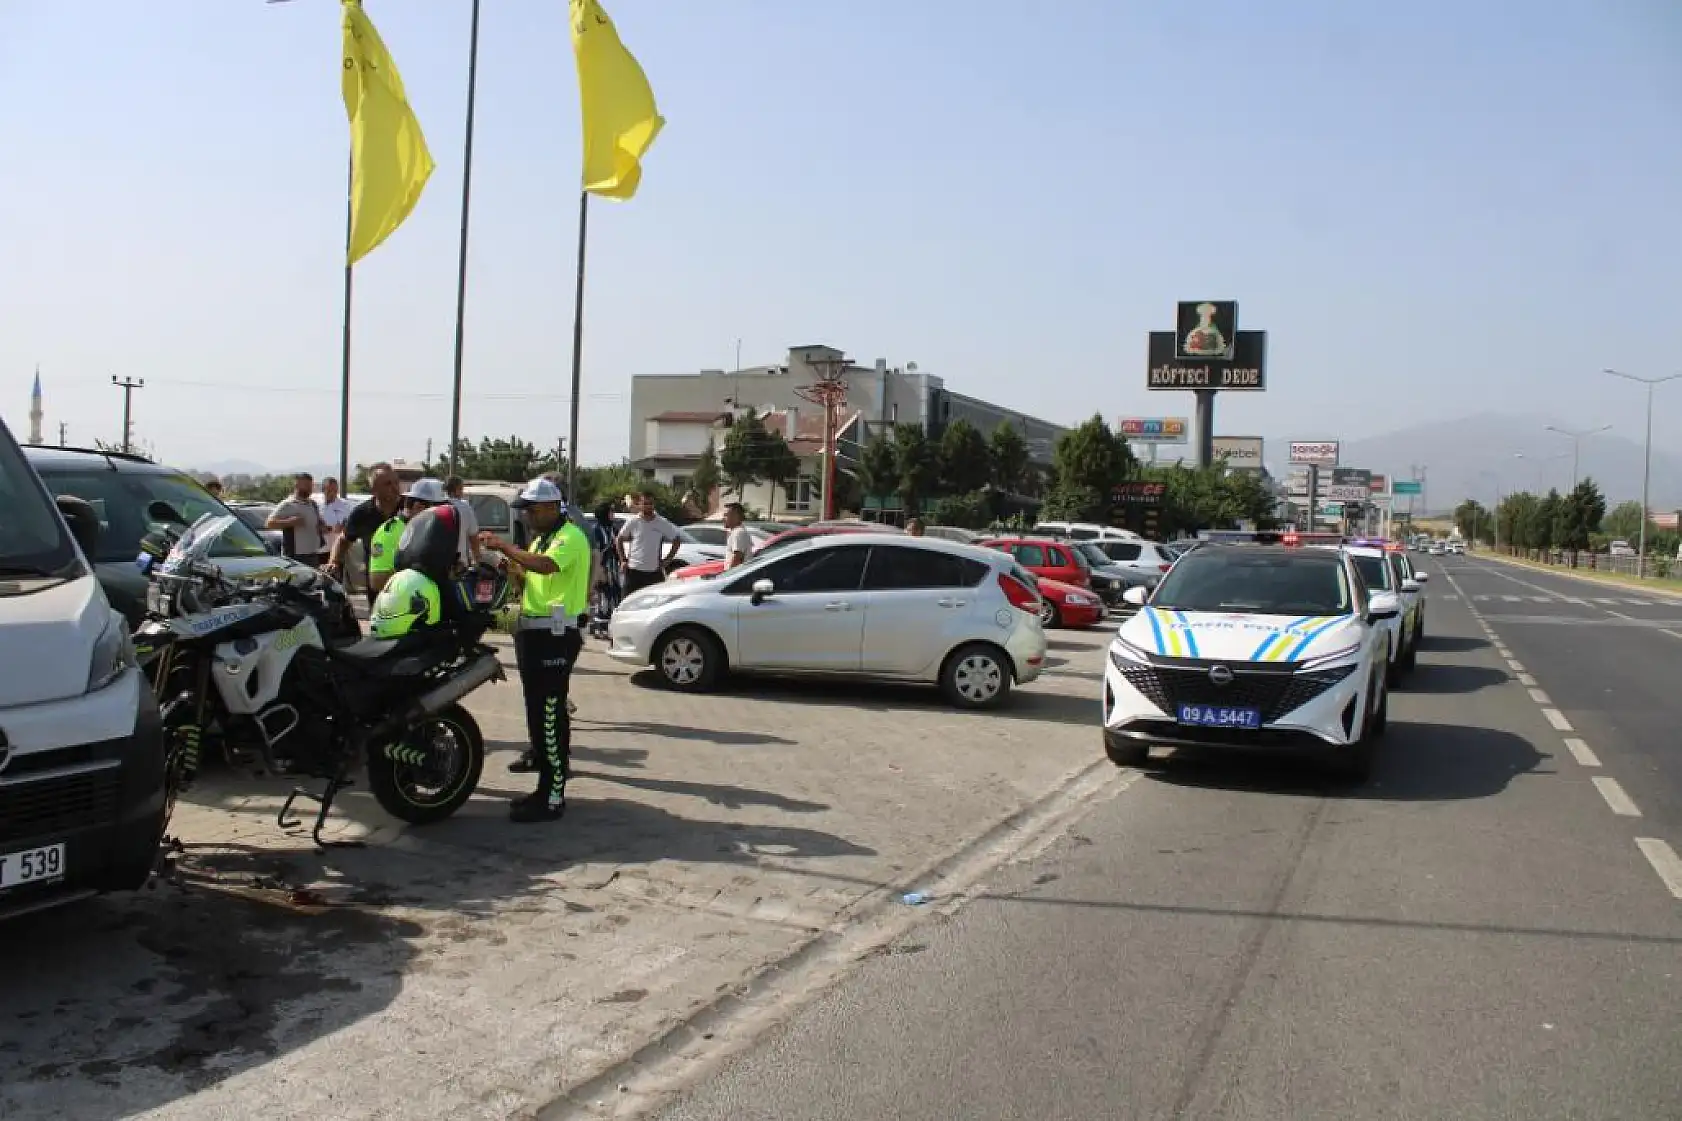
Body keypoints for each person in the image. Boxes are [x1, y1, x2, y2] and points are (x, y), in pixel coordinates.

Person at [478, 477, 589, 824]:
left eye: (530, 510)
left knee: (551, 713)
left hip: (556, 635)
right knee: (538, 713)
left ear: (550, 508)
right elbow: (531, 577)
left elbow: (545, 566)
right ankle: (544, 788)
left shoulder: (570, 537)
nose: (526, 517)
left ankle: (553, 798)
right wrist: (509, 569)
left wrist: (503, 546)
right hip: (535, 631)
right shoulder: (543, 538)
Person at [324, 463, 402, 607]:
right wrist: (334, 561)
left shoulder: (410, 509)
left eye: (396, 482)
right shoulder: (362, 514)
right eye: (388, 484)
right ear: (374, 489)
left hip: (408, 582)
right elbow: (343, 540)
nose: (395, 487)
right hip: (378, 585)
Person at [366, 478, 449, 596]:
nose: (442, 514)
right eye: (439, 508)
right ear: (418, 506)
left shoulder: (429, 530)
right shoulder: (390, 532)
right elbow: (377, 581)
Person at [616, 491, 681, 596]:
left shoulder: (661, 522)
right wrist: (623, 560)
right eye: (645, 503)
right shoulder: (633, 521)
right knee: (627, 602)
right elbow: (619, 539)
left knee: (655, 604)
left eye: (650, 504)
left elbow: (676, 540)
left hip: (653, 572)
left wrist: (668, 559)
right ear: (640, 504)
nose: (648, 506)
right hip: (633, 570)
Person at [267, 472, 327, 565]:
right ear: (297, 485)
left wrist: (322, 526)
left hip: (313, 553)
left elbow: (319, 522)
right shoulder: (288, 504)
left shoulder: (313, 504)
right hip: (295, 555)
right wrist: (289, 522)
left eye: (311, 486)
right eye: (306, 485)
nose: (309, 489)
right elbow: (269, 523)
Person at [588, 501, 622, 638]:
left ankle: (610, 627)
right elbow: (596, 551)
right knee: (603, 596)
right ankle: (598, 628)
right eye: (610, 512)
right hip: (602, 568)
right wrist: (599, 569)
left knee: (614, 595)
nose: (612, 515)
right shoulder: (596, 530)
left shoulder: (613, 529)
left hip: (613, 568)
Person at [444, 475, 482, 566]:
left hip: (438, 562)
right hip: (459, 563)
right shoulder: (465, 507)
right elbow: (473, 537)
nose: (462, 492)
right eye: (461, 489)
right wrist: (477, 559)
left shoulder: (435, 505)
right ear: (457, 490)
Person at [318, 476, 354, 562]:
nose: (332, 493)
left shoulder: (345, 505)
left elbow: (351, 524)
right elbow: (314, 526)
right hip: (321, 550)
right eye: (329, 491)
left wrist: (344, 527)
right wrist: (330, 528)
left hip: (339, 549)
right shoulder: (316, 505)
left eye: (335, 491)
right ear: (323, 490)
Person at [724, 502, 754, 569]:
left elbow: (737, 558)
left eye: (726, 515)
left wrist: (727, 575)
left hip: (734, 576)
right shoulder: (736, 532)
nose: (723, 518)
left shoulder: (739, 533)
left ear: (736, 516)